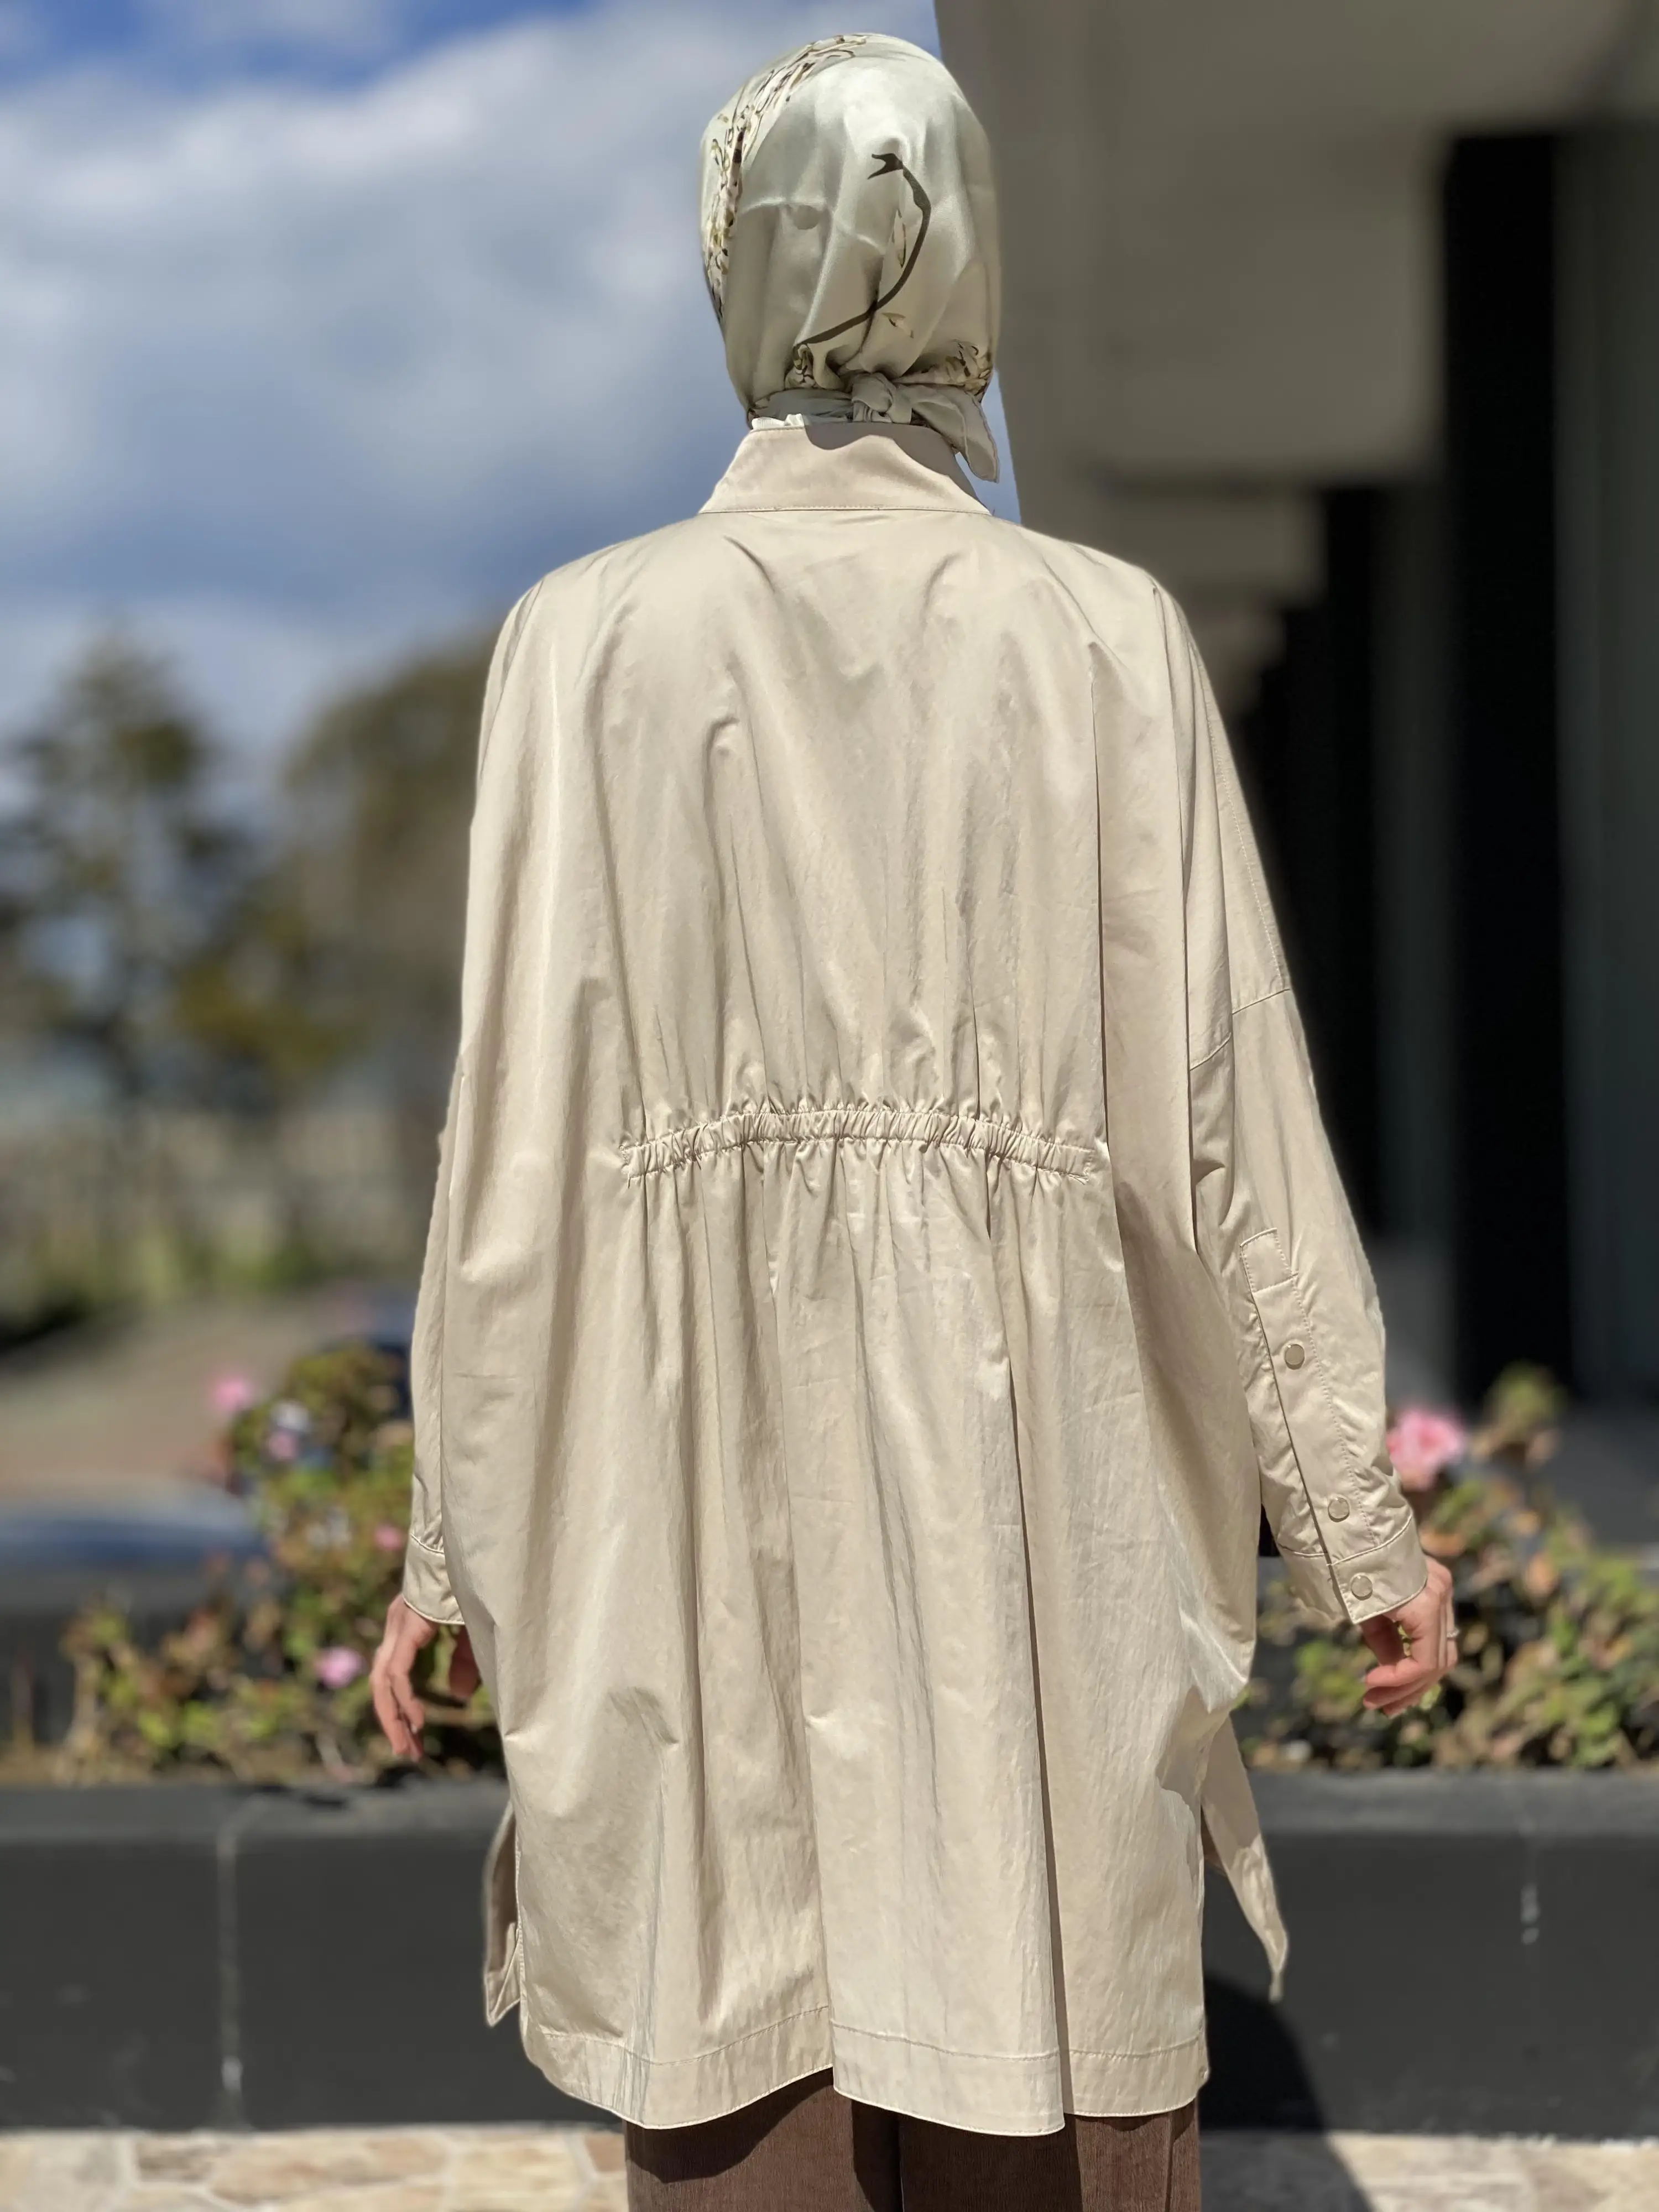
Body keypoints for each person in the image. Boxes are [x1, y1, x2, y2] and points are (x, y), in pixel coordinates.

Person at [372, 32, 1454, 2210]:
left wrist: (453, 1551)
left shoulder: (584, 645)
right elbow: (1226, 1131)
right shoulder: (1106, 640)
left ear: (737, 267)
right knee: (1043, 2037)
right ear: (975, 264)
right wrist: (1354, 1523)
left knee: (737, 2022)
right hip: (1038, 1528)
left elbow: (516, 1179)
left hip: (692, 1522)